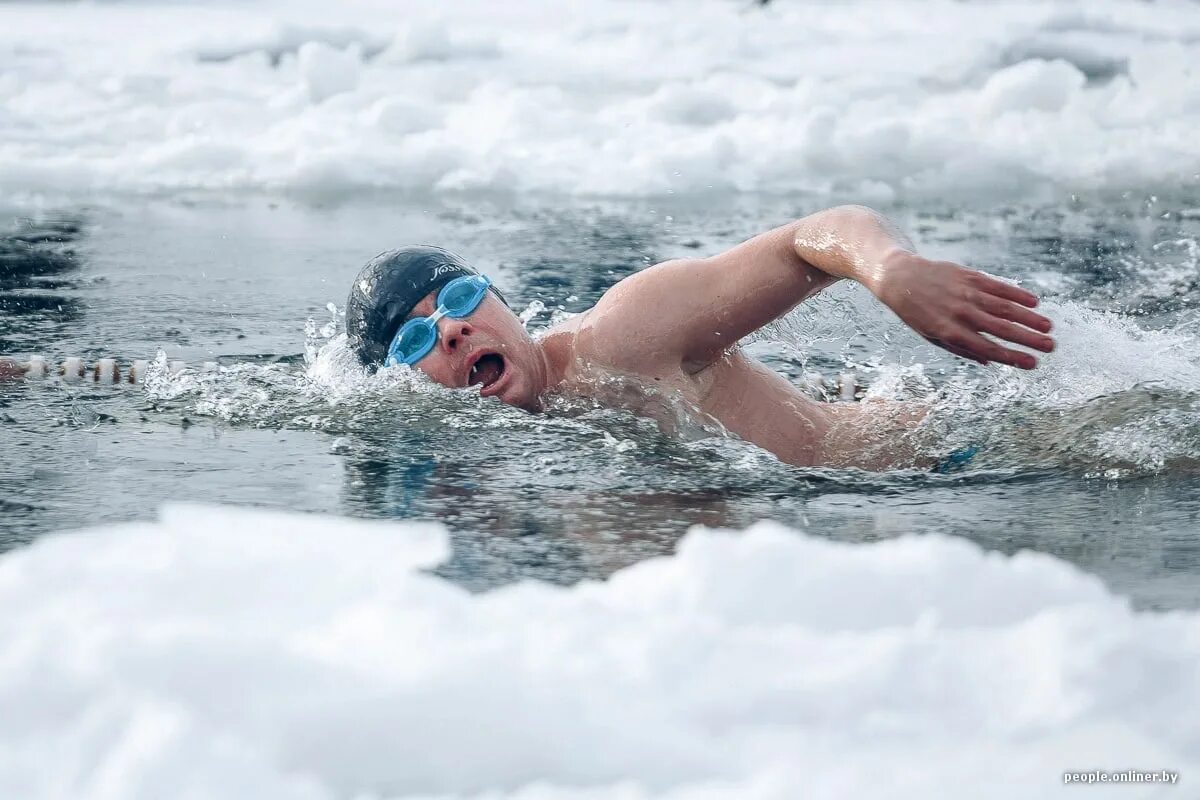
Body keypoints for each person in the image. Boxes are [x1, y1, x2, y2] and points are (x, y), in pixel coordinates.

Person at [345, 205, 1055, 470]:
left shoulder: (621, 338)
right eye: (413, 341)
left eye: (464, 298)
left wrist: (892, 270)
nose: (454, 328)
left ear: (504, 305)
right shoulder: (477, 461)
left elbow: (808, 241)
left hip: (929, 457)